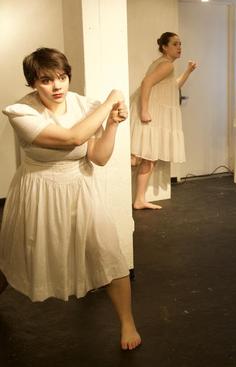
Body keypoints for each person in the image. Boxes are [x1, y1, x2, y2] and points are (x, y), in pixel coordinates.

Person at [0, 48, 141, 350]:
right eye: (46, 80)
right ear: (33, 84)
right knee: (19, 254)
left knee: (108, 251)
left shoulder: (84, 105)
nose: (57, 86)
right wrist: (111, 100)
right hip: (38, 190)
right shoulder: (21, 112)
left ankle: (127, 322)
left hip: (80, 187)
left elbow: (99, 157)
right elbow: (72, 138)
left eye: (62, 77)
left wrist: (113, 123)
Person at [130, 32, 197, 210]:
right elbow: (146, 83)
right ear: (165, 47)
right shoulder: (166, 65)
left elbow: (172, 88)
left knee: (147, 159)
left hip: (154, 115)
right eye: (175, 44)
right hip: (151, 115)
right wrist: (144, 111)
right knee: (139, 158)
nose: (179, 47)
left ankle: (139, 199)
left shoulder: (165, 65)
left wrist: (188, 71)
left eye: (180, 44)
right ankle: (136, 199)